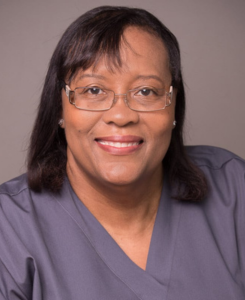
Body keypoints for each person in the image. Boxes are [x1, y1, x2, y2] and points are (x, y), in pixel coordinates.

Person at [0, 6, 244, 300]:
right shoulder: (9, 228)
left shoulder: (233, 189)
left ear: (173, 107)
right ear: (60, 107)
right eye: (93, 90)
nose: (120, 115)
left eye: (146, 91)